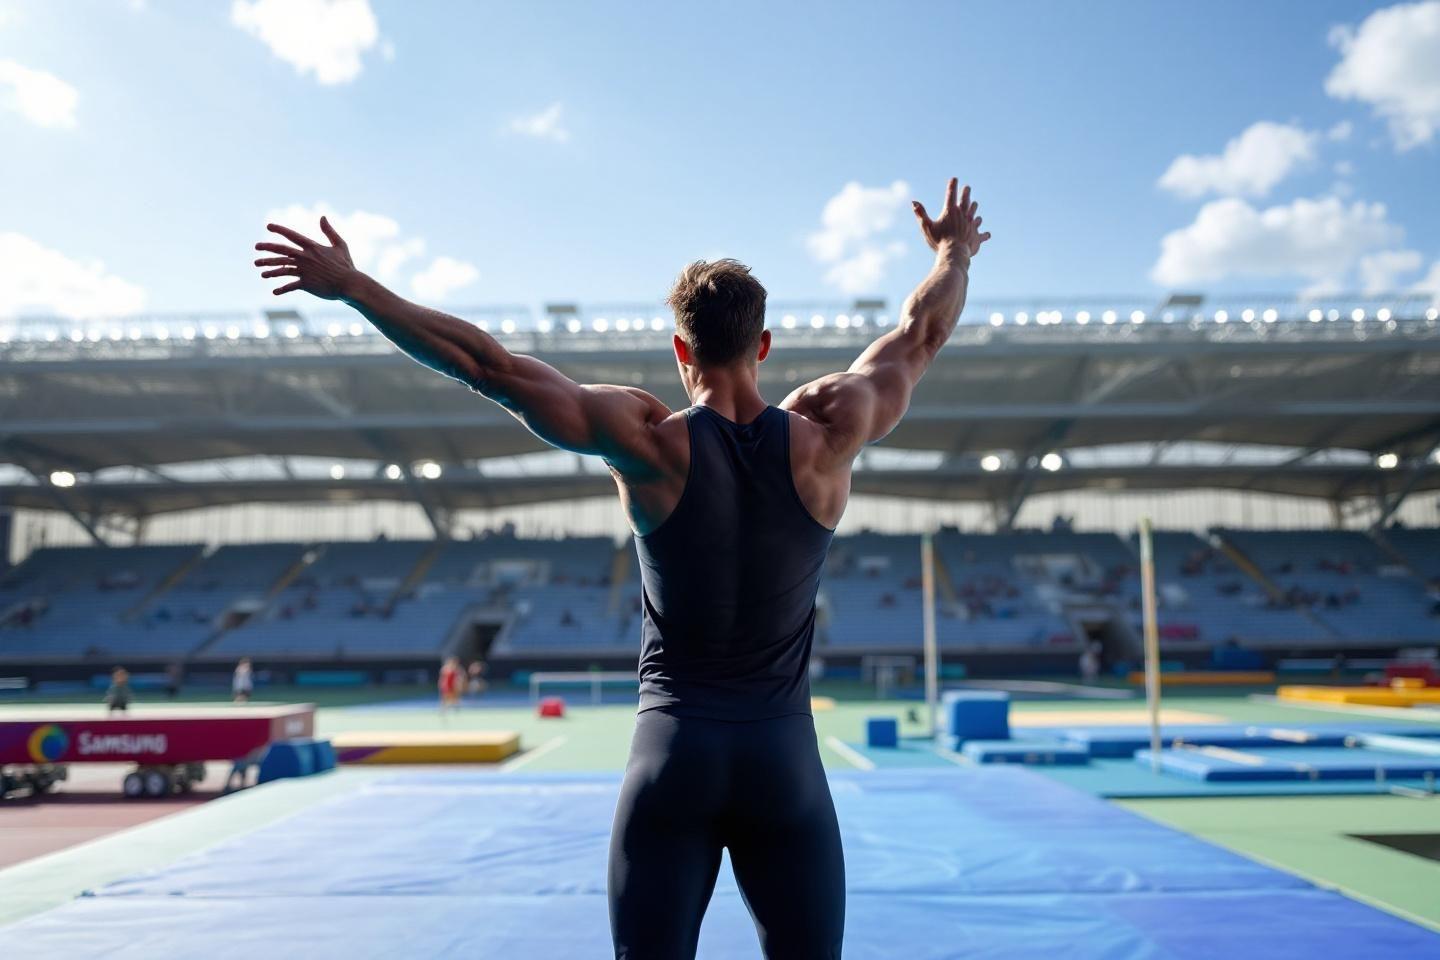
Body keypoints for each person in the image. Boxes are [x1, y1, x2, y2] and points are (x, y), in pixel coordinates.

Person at [254, 176, 989, 960]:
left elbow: (487, 367)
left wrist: (356, 287)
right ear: (763, 345)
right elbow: (920, 335)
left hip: (673, 756)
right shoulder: (829, 432)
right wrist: (953, 252)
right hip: (784, 760)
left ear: (681, 350)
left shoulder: (647, 442)